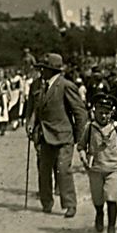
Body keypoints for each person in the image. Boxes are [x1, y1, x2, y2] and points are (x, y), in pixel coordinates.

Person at [26, 53, 88, 217]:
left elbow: (80, 113)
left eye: (44, 69)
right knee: (43, 170)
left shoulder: (66, 86)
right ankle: (46, 202)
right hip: (44, 135)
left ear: (52, 70)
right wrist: (30, 123)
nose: (41, 71)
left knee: (62, 170)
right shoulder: (36, 85)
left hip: (63, 136)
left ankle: (70, 204)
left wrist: (80, 137)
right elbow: (32, 108)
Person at [77, 93, 117, 233]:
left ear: (112, 113)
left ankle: (111, 229)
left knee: (111, 198)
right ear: (94, 111)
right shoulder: (90, 128)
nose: (103, 116)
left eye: (106, 113)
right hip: (95, 169)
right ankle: (99, 213)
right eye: (100, 112)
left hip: (113, 168)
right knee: (97, 198)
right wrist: (83, 157)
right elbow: (81, 146)